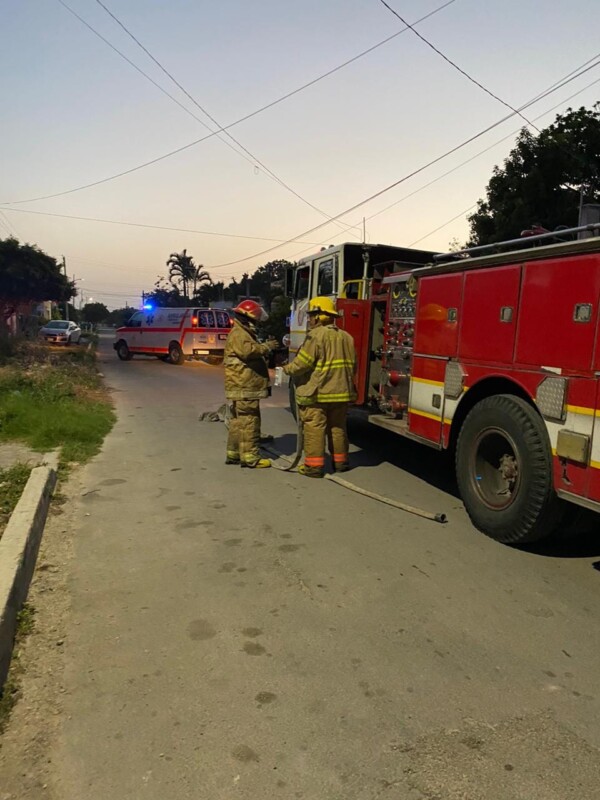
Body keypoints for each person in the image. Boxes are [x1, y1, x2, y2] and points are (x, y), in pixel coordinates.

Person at [283, 296, 357, 478]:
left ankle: (313, 467)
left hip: (319, 393)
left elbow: (303, 364)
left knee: (314, 428)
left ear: (319, 316)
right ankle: (341, 463)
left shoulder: (315, 336)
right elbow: (352, 365)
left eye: (311, 315)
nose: (309, 319)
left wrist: (287, 368)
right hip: (341, 393)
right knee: (338, 427)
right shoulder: (347, 337)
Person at [224, 300, 278, 469]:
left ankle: (234, 453)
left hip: (241, 385)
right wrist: (266, 347)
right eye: (255, 319)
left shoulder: (242, 332)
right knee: (249, 421)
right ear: (248, 318)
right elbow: (248, 352)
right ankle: (250, 457)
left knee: (238, 421)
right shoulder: (240, 334)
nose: (257, 322)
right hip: (245, 385)